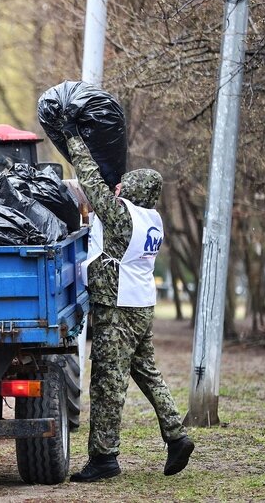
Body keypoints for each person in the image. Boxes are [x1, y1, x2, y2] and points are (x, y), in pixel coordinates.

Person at [66, 135, 194, 482]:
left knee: (108, 382)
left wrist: (73, 140)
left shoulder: (122, 217)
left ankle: (104, 458)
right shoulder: (152, 219)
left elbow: (91, 182)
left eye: (126, 184)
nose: (120, 187)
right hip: (141, 305)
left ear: (133, 191)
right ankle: (176, 435)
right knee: (146, 371)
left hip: (117, 308)